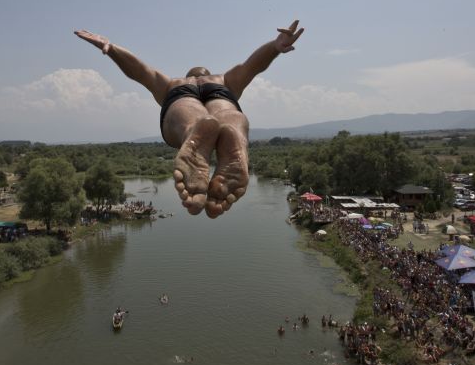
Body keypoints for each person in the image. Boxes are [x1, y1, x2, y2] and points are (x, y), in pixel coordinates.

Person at [75, 21, 304, 218]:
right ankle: (233, 136)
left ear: (189, 75)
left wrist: (112, 48)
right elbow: (251, 66)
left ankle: (195, 133)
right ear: (206, 73)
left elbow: (141, 71)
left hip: (179, 96)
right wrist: (274, 47)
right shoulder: (224, 78)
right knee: (230, 117)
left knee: (192, 120)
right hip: (222, 93)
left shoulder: (172, 83)